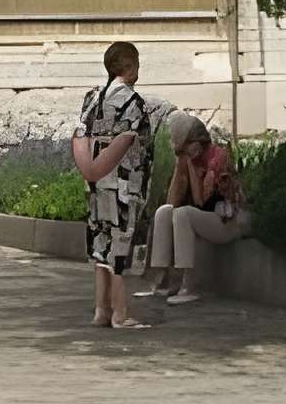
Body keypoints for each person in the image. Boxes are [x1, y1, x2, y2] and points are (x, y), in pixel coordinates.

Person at [73, 39, 157, 329]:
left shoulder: (91, 98)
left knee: (100, 244)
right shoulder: (134, 103)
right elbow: (141, 148)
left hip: (96, 183)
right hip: (122, 184)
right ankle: (120, 313)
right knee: (120, 247)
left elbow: (81, 133)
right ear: (130, 67)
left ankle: (101, 310)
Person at [145, 109, 252, 303]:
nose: (187, 152)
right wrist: (180, 168)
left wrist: (190, 168)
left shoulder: (217, 157)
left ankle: (189, 284)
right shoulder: (190, 160)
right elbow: (172, 201)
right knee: (164, 212)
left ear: (199, 140)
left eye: (188, 147)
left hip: (227, 221)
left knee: (183, 214)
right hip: (207, 219)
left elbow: (201, 200)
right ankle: (162, 278)